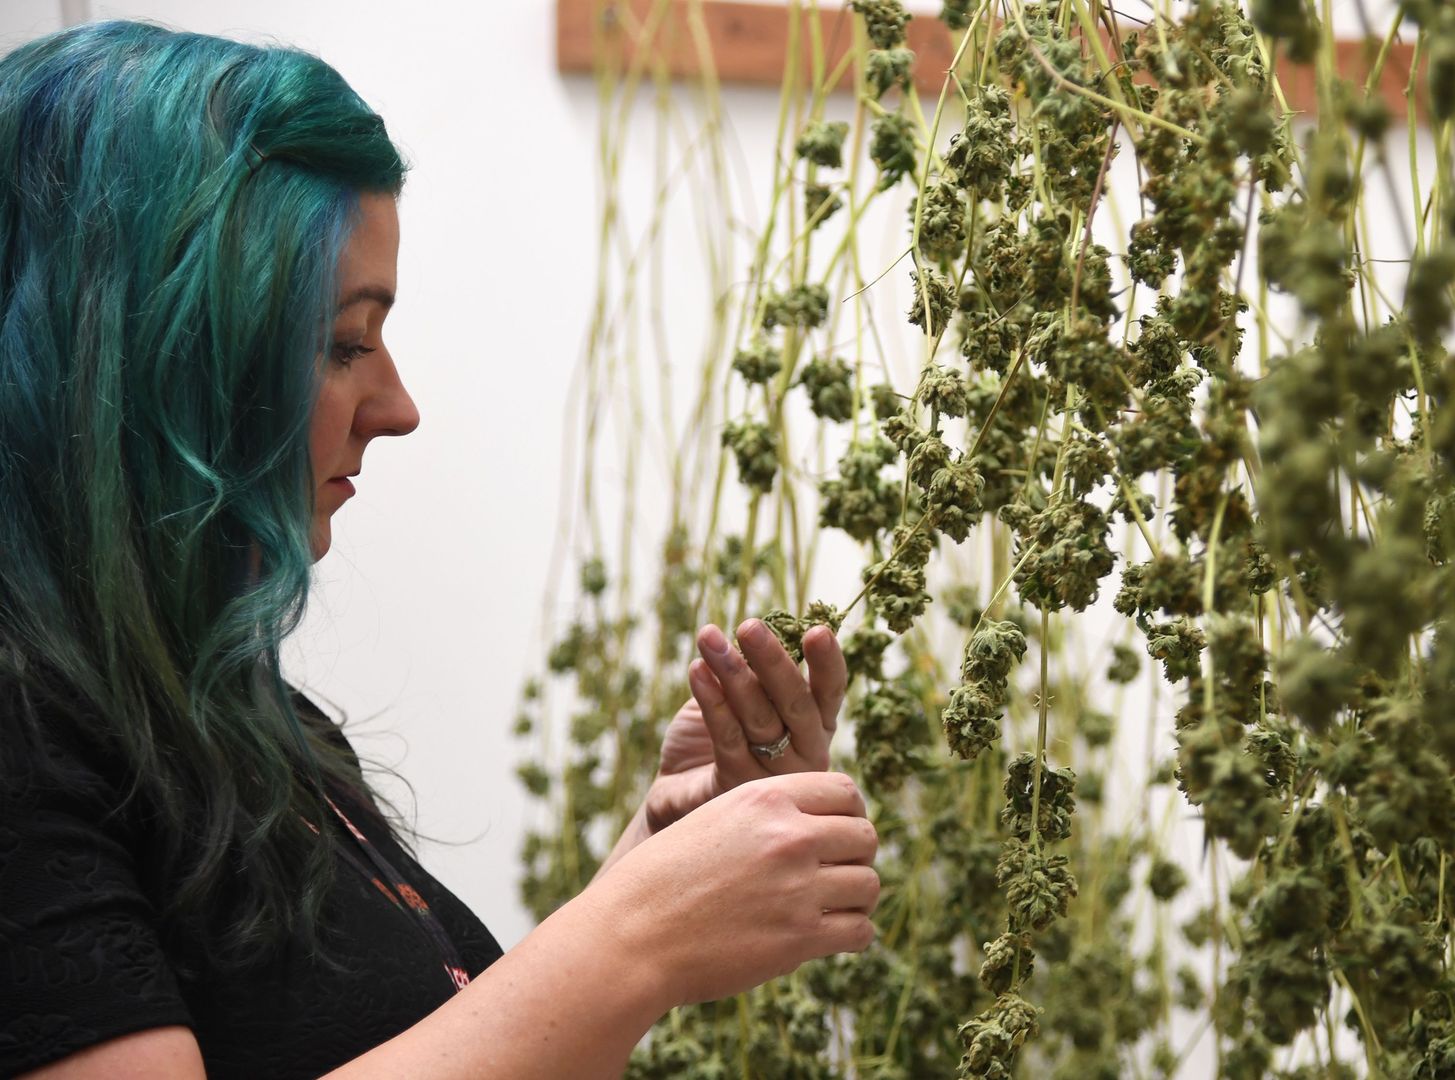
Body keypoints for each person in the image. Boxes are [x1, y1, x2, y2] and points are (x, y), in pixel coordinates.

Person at [0, 20, 877, 1079]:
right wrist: (634, 940)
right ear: (156, 357)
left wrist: (666, 855)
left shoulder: (239, 721)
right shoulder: (25, 727)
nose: (398, 406)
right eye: (341, 344)